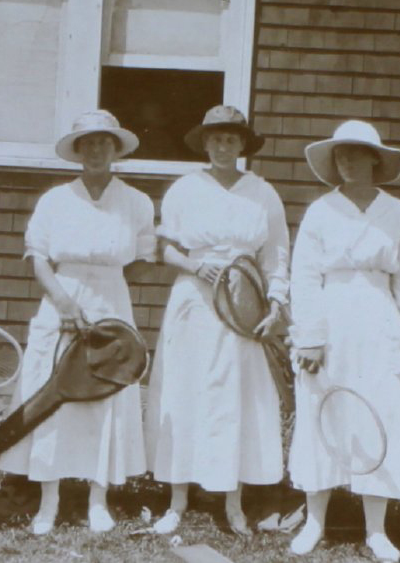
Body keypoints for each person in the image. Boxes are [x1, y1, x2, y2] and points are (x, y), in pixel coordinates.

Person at [0, 110, 154, 534]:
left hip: (111, 305)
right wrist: (65, 301)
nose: (96, 150)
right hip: (60, 301)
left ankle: (97, 499)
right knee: (53, 398)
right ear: (78, 150)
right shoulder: (55, 199)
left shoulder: (136, 202)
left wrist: (108, 299)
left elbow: (141, 261)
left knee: (106, 398)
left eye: (104, 142)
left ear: (115, 149)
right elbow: (38, 258)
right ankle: (48, 500)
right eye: (88, 143)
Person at [145, 105, 290, 536]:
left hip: (242, 307)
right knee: (184, 393)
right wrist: (193, 264)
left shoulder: (262, 193)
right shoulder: (185, 189)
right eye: (216, 138)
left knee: (234, 399)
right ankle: (176, 500)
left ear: (243, 144)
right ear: (204, 143)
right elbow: (164, 248)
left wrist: (276, 304)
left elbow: (276, 255)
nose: (223, 146)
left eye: (232, 139)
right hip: (194, 302)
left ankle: (233, 503)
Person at [287, 120, 400, 562]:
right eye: (339, 155)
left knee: (378, 413)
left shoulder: (398, 213)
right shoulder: (321, 211)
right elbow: (305, 278)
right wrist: (309, 336)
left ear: (374, 159)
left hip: (379, 320)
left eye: (355, 153)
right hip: (331, 318)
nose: (346, 162)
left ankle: (376, 531)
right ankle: (314, 522)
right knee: (322, 410)